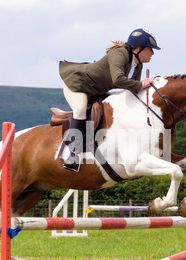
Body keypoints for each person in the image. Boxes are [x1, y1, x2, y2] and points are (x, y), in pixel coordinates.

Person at [59, 28, 161, 172]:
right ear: (138, 48)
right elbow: (118, 79)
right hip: (77, 84)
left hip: (97, 91)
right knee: (80, 109)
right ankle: (73, 155)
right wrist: (141, 84)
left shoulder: (137, 65)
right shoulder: (120, 54)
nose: (153, 53)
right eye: (150, 49)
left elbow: (131, 90)